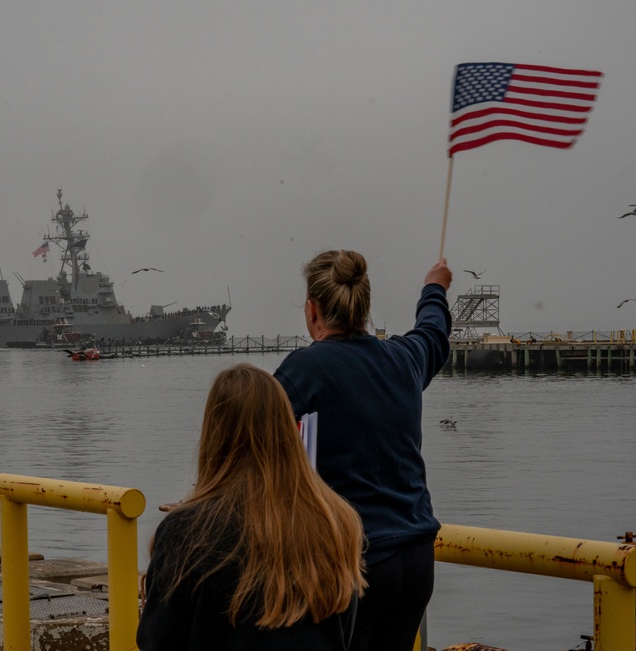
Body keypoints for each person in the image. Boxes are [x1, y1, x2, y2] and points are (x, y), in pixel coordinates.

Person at [274, 250, 452, 651]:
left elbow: (250, 438)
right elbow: (433, 332)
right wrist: (434, 288)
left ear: (312, 310)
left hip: (355, 564)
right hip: (417, 559)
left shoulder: (304, 370)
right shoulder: (404, 359)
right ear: (364, 306)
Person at [137, 363, 367, 650]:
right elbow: (343, 633)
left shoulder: (185, 531)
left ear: (214, 434)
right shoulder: (339, 521)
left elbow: (158, 641)